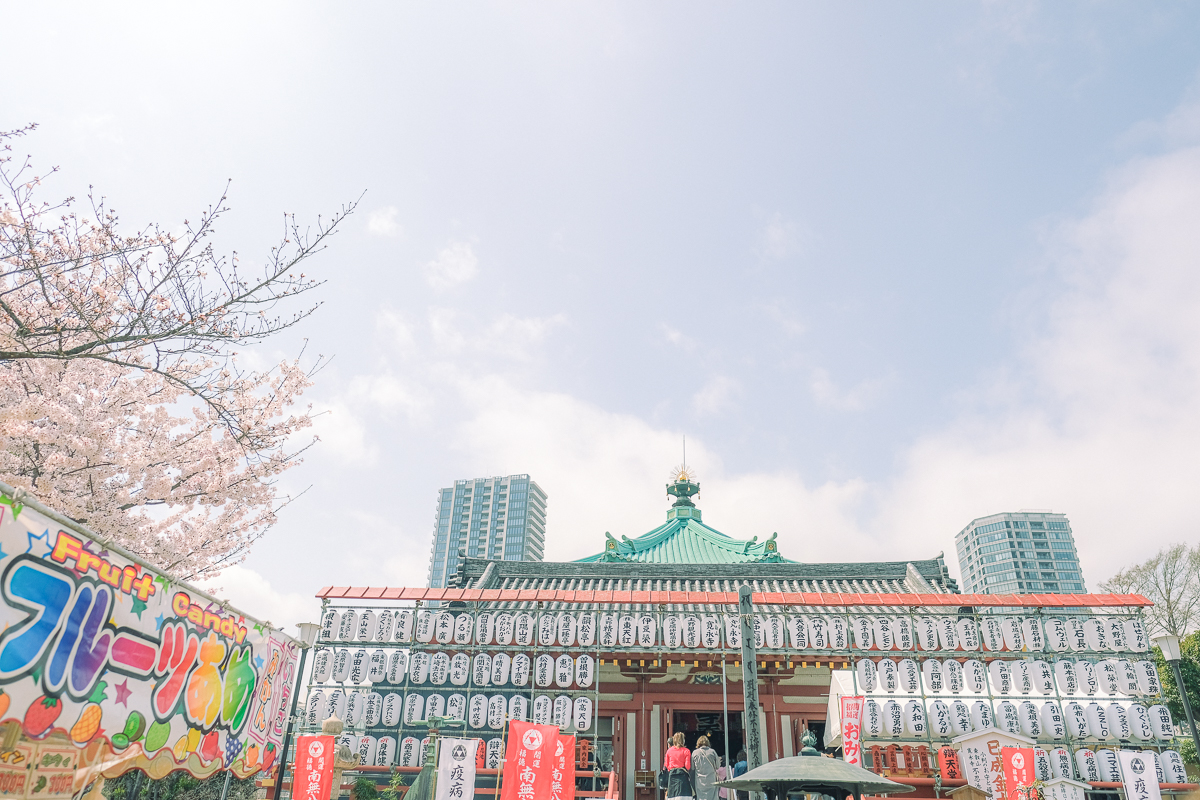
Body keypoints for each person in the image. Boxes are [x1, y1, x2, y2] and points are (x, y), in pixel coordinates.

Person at [663, 732, 694, 800]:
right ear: (683, 740)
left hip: (672, 776)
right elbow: (687, 766)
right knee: (684, 797)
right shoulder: (686, 751)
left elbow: (667, 765)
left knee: (672, 797)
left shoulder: (669, 751)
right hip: (682, 776)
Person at [691, 735, 720, 800]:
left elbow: (692, 767)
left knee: (701, 797)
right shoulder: (712, 752)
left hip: (700, 781)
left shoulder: (695, 753)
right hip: (711, 780)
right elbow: (718, 766)